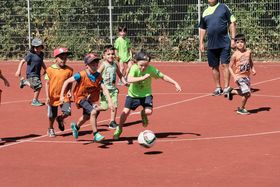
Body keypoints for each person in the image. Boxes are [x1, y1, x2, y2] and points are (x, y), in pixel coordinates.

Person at [113, 51, 182, 140]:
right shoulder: (134, 68)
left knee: (149, 111)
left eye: (146, 65)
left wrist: (175, 83)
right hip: (133, 95)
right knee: (125, 112)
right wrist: (143, 77)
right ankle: (119, 128)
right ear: (136, 62)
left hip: (146, 95)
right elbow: (129, 79)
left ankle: (143, 114)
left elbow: (162, 76)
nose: (143, 67)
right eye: (141, 65)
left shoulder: (150, 69)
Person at [60, 53, 114, 142]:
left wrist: (110, 102)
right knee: (93, 111)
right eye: (92, 64)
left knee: (86, 117)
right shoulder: (81, 75)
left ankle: (76, 127)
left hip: (89, 99)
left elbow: (104, 89)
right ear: (87, 65)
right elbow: (66, 81)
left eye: (96, 64)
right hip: (80, 97)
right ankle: (95, 134)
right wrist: (62, 95)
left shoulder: (98, 76)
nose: (95, 66)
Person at [199, 0, 237, 96]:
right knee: (214, 66)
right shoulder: (205, 12)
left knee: (225, 64)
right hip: (211, 44)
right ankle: (218, 88)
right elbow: (202, 28)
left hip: (224, 42)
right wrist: (201, 42)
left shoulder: (224, 7)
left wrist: (233, 39)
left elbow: (232, 22)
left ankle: (226, 87)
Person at [45, 47, 73, 137]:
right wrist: (47, 96)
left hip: (64, 96)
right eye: (61, 58)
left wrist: (69, 91)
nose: (64, 60)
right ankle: (50, 128)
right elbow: (47, 83)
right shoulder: (50, 70)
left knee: (67, 112)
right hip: (53, 96)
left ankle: (60, 118)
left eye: (65, 58)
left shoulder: (69, 70)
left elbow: (70, 82)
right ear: (56, 58)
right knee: (52, 116)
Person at [97, 45, 128, 129]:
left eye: (113, 54)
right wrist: (98, 85)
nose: (111, 56)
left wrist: (125, 82)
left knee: (114, 104)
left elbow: (120, 75)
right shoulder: (103, 64)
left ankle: (112, 122)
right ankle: (94, 110)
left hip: (113, 89)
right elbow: (97, 74)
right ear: (104, 56)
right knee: (104, 107)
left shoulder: (115, 65)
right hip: (104, 89)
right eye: (108, 54)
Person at [226, 34, 256, 115]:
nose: (240, 44)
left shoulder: (248, 52)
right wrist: (234, 76)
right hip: (239, 76)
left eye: (242, 42)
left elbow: (250, 61)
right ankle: (241, 108)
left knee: (246, 93)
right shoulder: (235, 55)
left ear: (245, 43)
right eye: (238, 42)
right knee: (247, 93)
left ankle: (231, 91)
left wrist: (253, 68)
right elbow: (229, 67)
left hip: (246, 76)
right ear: (235, 44)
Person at [15, 38, 47, 106]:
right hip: (31, 73)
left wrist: (45, 69)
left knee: (36, 86)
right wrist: (18, 70)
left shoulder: (41, 54)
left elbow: (41, 62)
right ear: (33, 47)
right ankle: (34, 101)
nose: (36, 48)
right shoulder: (30, 54)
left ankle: (24, 82)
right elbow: (22, 61)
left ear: (41, 47)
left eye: (38, 46)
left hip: (37, 73)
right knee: (38, 86)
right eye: (35, 47)